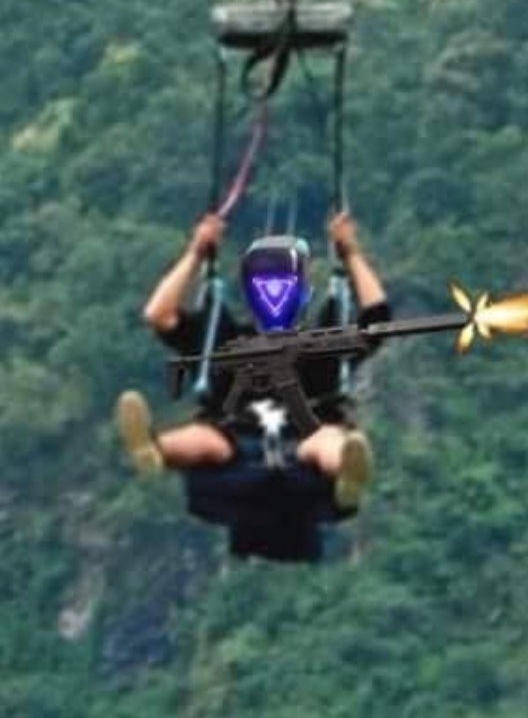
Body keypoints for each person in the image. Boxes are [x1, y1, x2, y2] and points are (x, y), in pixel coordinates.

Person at [115, 210, 389, 511]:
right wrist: (196, 252)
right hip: (233, 438)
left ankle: (346, 470)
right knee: (205, 440)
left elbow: (377, 319)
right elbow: (158, 314)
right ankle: (155, 450)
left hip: (307, 437)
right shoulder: (224, 341)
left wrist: (351, 254)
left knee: (325, 440)